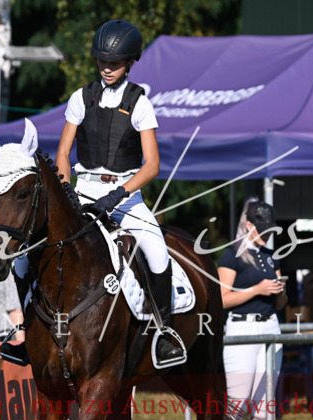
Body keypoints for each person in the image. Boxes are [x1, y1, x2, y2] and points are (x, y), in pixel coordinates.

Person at [45, 19, 184, 368]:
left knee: (156, 252)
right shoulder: (81, 97)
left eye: (115, 63)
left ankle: (165, 333)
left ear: (131, 62)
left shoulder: (140, 103)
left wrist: (118, 195)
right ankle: (25, 328)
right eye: (102, 62)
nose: (107, 69)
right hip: (83, 190)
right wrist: (66, 190)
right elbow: (63, 152)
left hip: (125, 194)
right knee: (33, 250)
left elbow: (152, 165)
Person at [212, 199, 287, 420]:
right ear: (248, 225)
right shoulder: (232, 256)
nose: (267, 235)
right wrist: (256, 289)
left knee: (264, 405)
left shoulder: (271, 256)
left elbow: (281, 302)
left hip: (270, 328)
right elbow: (222, 298)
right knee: (236, 404)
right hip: (242, 330)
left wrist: (280, 292)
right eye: (262, 230)